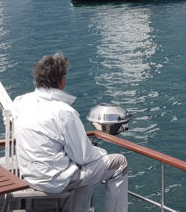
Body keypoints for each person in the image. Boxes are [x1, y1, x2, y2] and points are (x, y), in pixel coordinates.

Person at [13, 54, 128, 212]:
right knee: (119, 163)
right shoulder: (64, 112)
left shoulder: (21, 102)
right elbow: (84, 156)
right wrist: (102, 152)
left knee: (83, 169)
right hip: (54, 181)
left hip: (30, 175)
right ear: (61, 80)